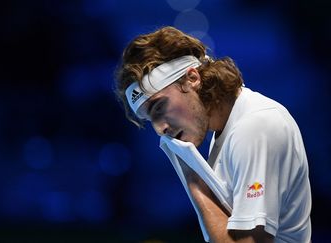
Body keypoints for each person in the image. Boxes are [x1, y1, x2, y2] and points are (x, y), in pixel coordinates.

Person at [114, 26, 311, 242]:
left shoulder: (254, 127)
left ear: (192, 78)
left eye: (159, 107)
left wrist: (192, 177)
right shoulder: (226, 132)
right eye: (150, 119)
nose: (160, 128)